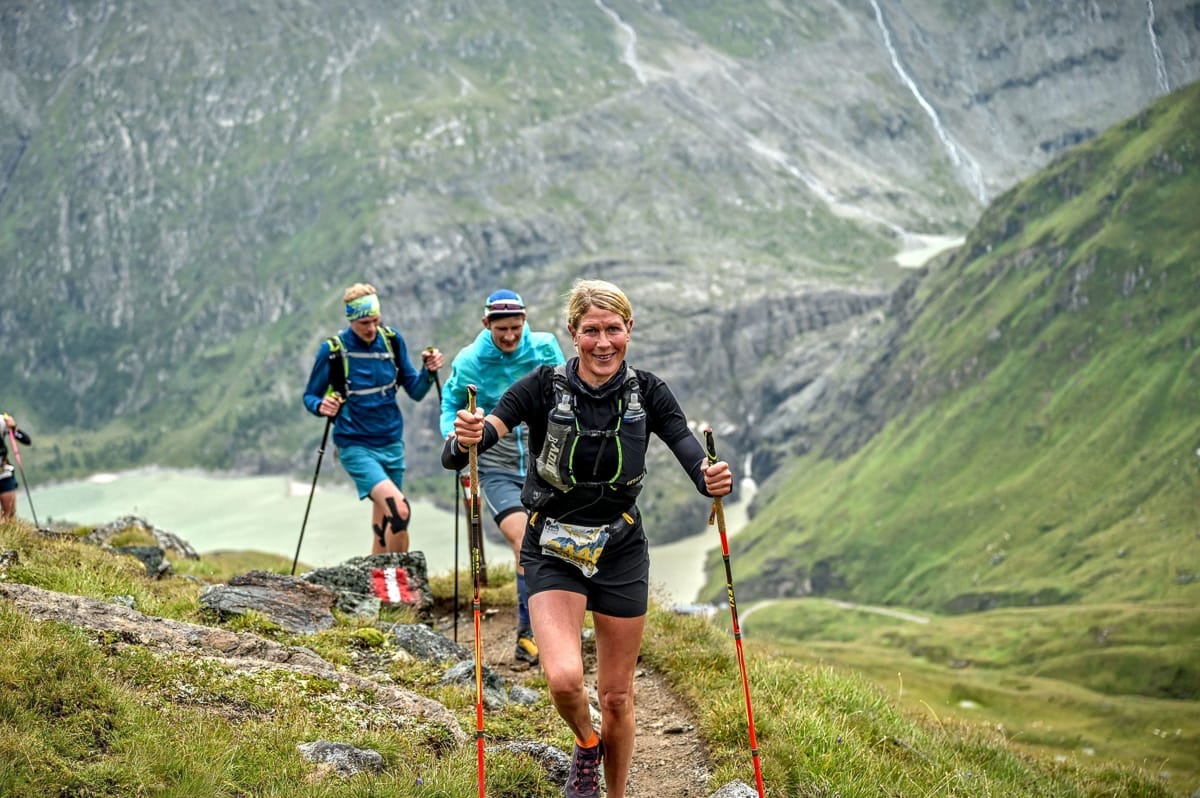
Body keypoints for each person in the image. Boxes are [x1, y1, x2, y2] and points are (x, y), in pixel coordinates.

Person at [442, 279, 733, 798]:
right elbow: (484, 434)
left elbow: (688, 448)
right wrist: (465, 436)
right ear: (573, 333)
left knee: (617, 695)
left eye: (614, 330)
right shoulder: (540, 385)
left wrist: (709, 476)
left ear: (629, 330)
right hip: (553, 547)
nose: (604, 343)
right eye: (592, 331)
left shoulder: (649, 390)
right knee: (563, 680)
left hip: (620, 549)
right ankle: (585, 740)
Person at [440, 289, 566, 665]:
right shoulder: (471, 361)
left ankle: (559, 622)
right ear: (486, 325)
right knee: (526, 541)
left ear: (525, 322)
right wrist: (455, 435)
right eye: (502, 330)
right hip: (494, 467)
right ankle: (529, 635)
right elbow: (451, 404)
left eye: (516, 327)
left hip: (547, 465)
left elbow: (567, 392)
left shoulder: (545, 348)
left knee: (556, 545)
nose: (510, 336)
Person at [303, 283, 444, 554]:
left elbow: (414, 390)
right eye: (363, 323)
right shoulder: (333, 350)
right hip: (355, 446)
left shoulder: (392, 340)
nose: (370, 328)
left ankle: (380, 586)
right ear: (351, 319)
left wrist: (428, 372)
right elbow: (310, 396)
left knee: (384, 526)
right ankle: (402, 582)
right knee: (400, 512)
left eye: (375, 321)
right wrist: (322, 406)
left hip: (392, 444)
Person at [0, 413, 32, 520]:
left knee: (10, 515)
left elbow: (26, 440)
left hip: (3, 473)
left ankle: (12, 535)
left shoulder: (1, 422)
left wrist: (13, 428)